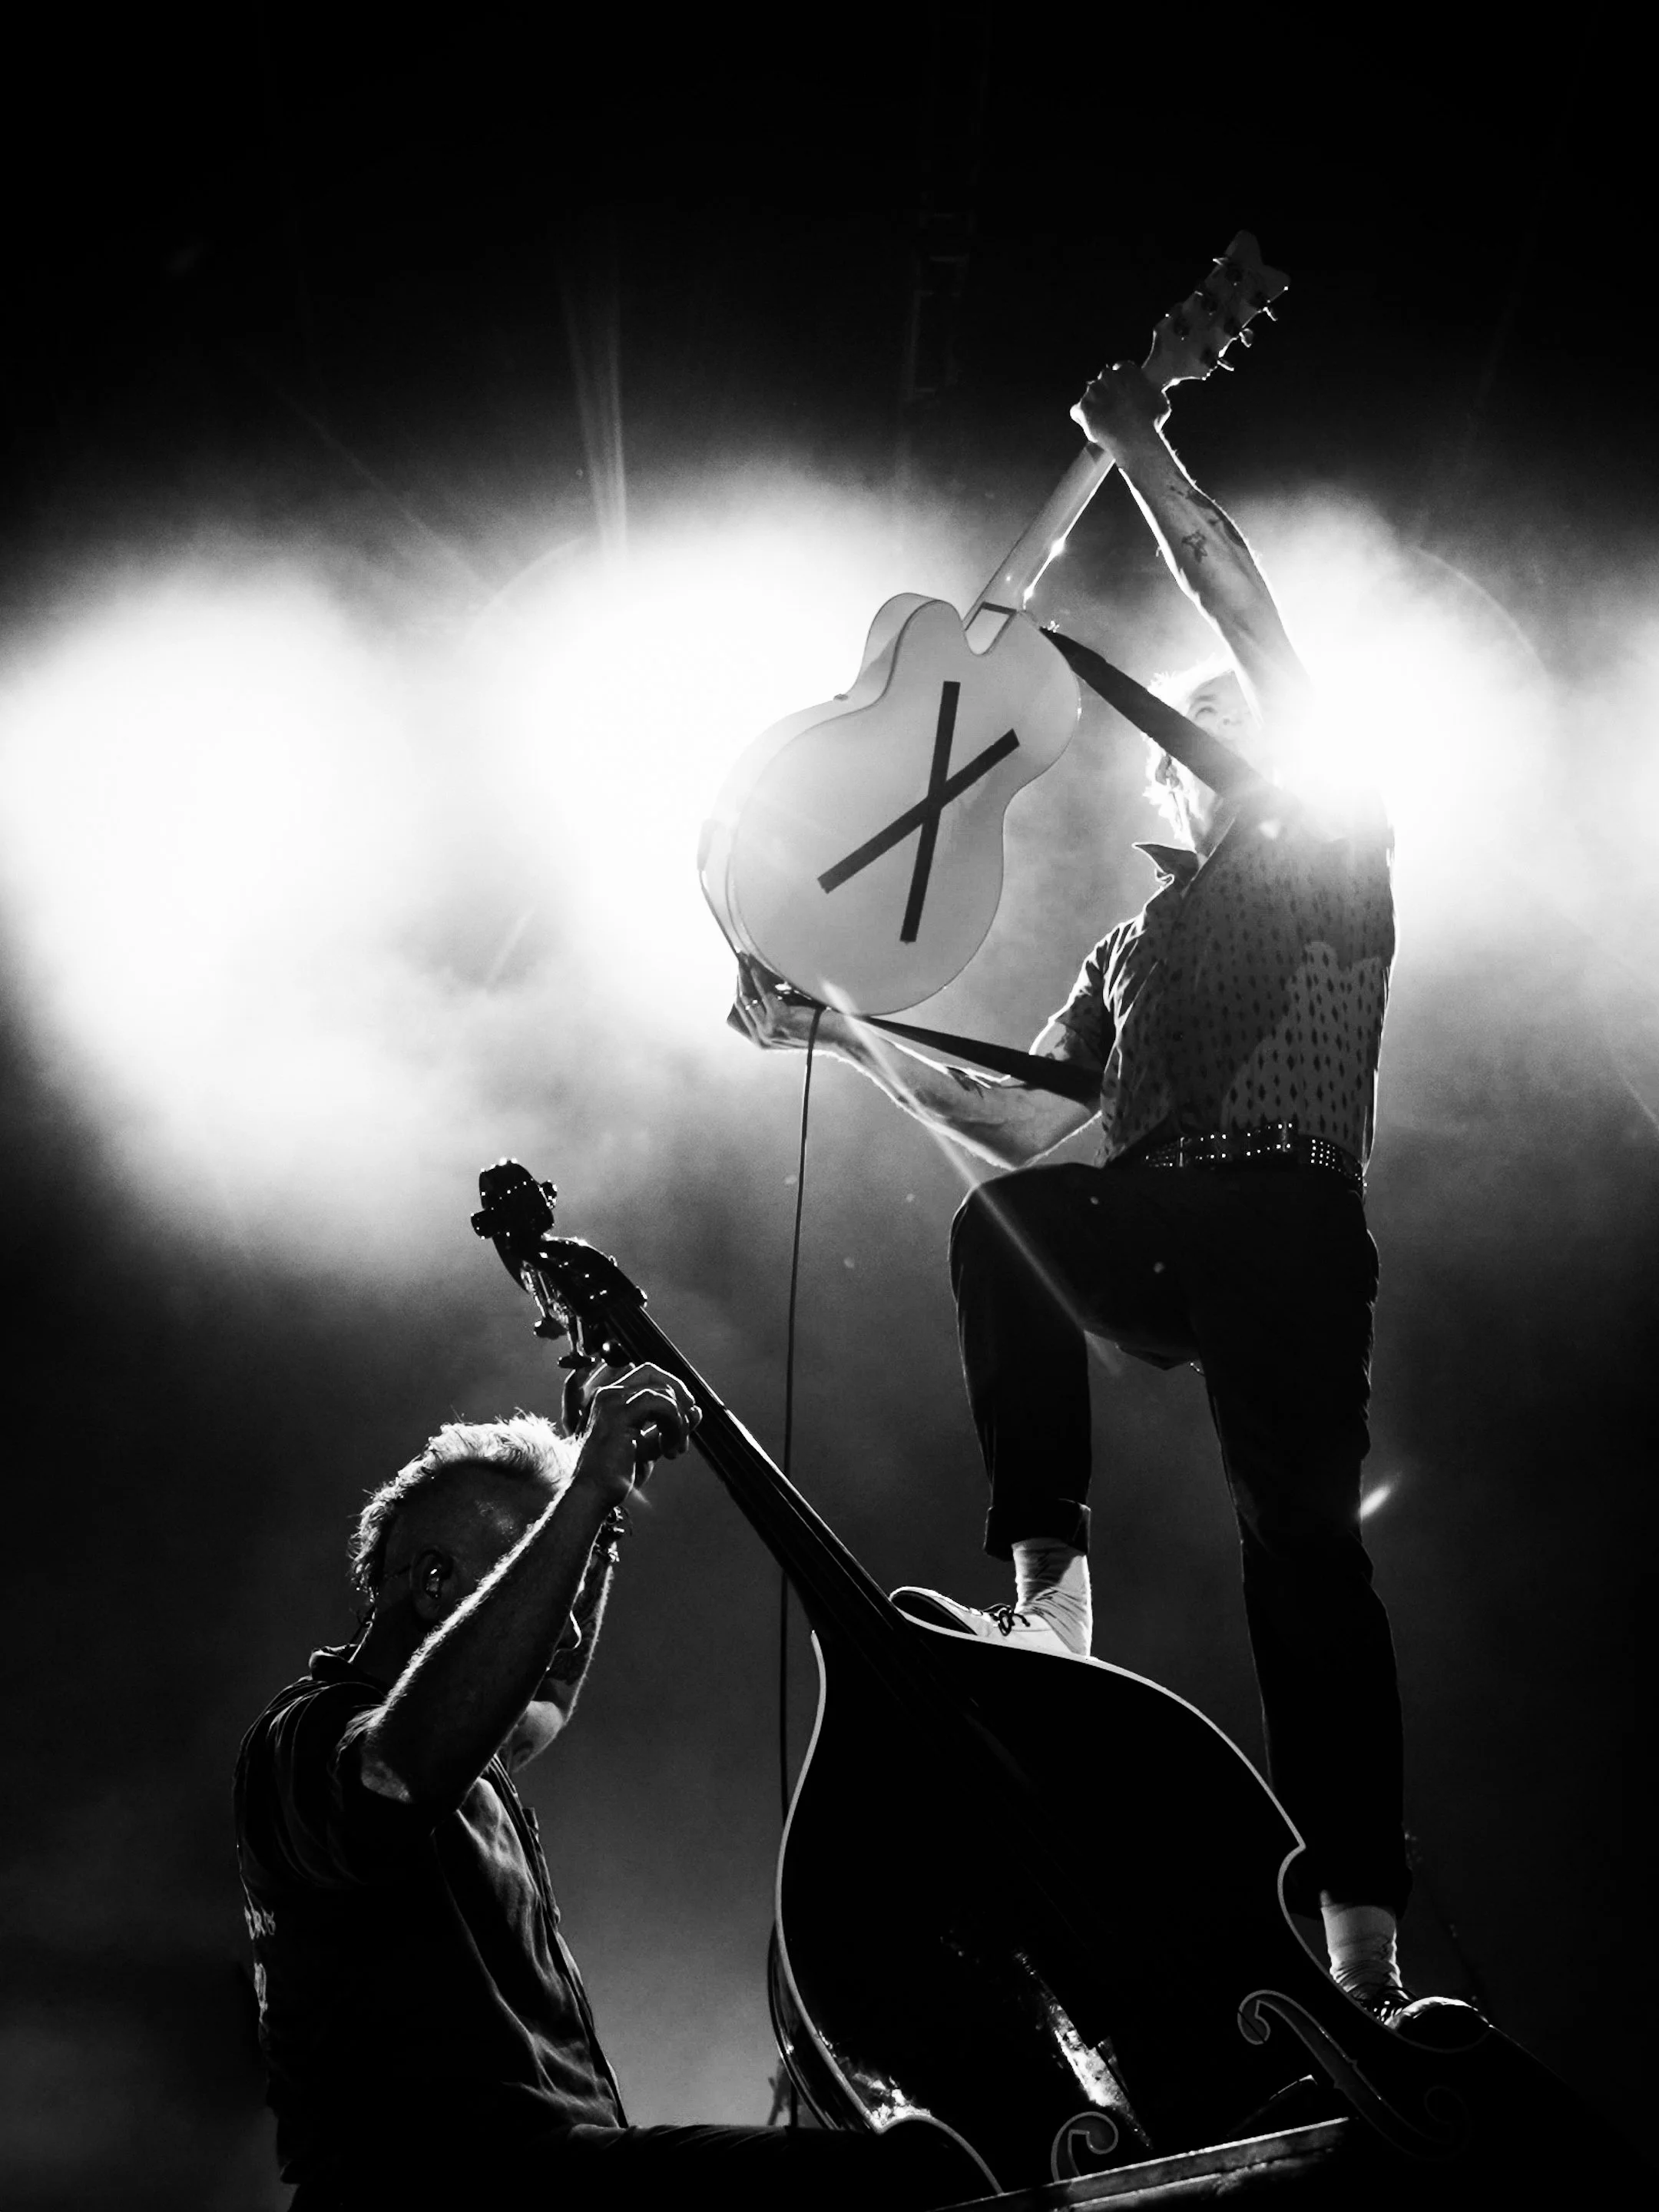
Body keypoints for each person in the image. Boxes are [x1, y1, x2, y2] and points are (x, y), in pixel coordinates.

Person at [731, 360, 1432, 2029]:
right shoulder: (1129, 946)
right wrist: (841, 1031)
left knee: (1301, 1558)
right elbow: (1017, 1123)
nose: (1242, 731)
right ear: (1170, 791)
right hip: (1160, 1224)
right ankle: (1054, 1591)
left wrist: (1142, 449)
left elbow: (1246, 610)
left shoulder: (1332, 838)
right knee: (1004, 1227)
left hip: (1284, 1225)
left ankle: (1365, 1946)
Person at [234, 1371, 985, 2210]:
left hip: (555, 2170)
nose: (574, 1622)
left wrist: (600, 1520)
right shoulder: (302, 1737)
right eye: (532, 1565)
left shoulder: (474, 1754)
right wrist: (584, 1487)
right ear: (435, 1581)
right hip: (450, 2182)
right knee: (910, 2184)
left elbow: (543, 1703)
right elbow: (391, 1779)